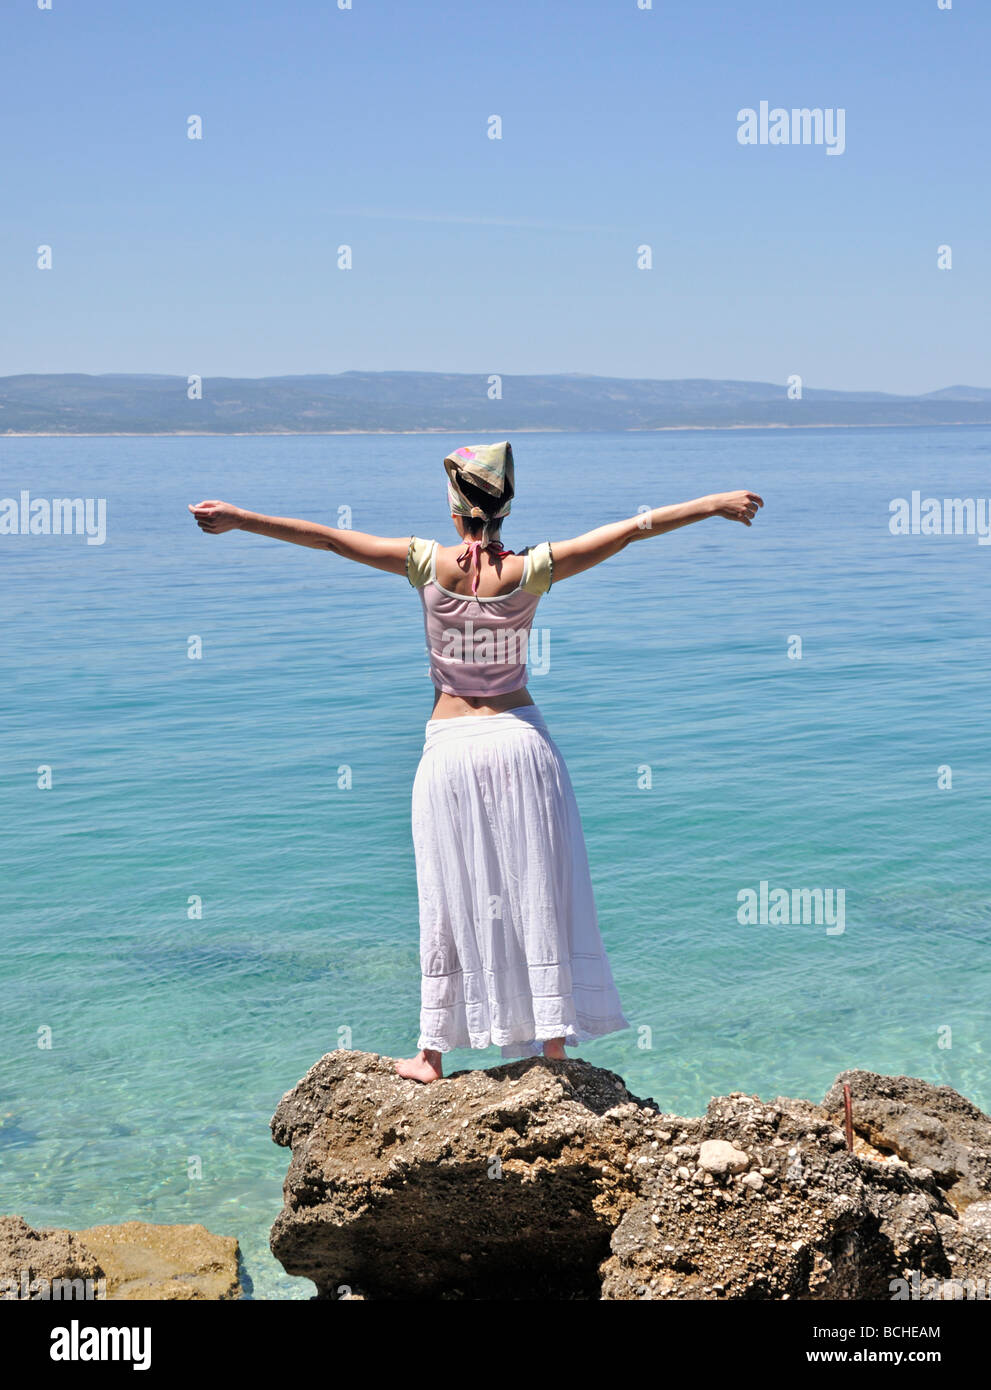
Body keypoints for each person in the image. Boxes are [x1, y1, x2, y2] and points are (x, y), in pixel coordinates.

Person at [189, 443, 762, 1083]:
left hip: (453, 751)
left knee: (449, 893)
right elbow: (630, 531)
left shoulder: (426, 564)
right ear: (505, 505)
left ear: (456, 507)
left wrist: (240, 518)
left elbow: (330, 541)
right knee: (538, 888)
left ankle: (432, 1055)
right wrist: (712, 504)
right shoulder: (531, 569)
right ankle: (551, 1050)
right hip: (521, 740)